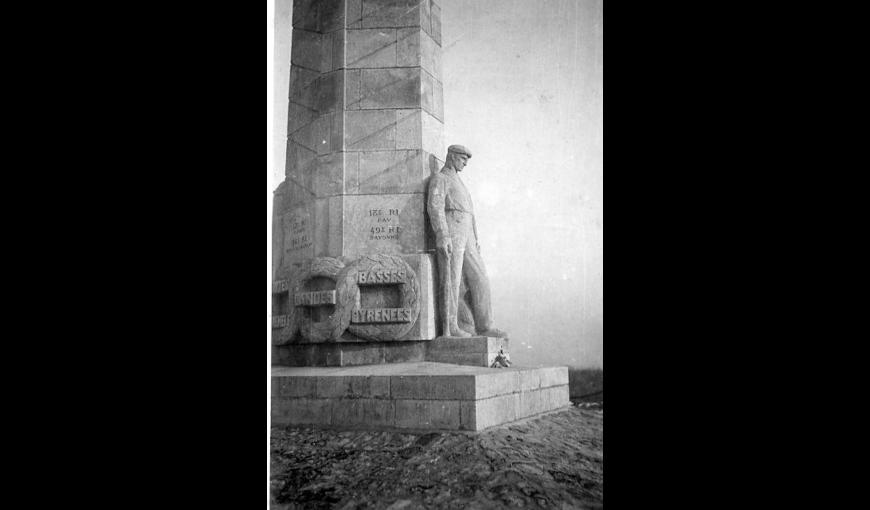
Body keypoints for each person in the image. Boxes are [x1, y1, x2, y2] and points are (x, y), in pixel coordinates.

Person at [427, 144, 508, 338]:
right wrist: (442, 234)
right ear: (453, 157)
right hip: (452, 228)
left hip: (468, 233)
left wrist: (476, 238)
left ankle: (485, 325)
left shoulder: (459, 181)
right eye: (463, 159)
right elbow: (435, 207)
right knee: (452, 279)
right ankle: (451, 326)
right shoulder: (441, 178)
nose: (465, 163)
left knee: (480, 278)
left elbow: (470, 214)